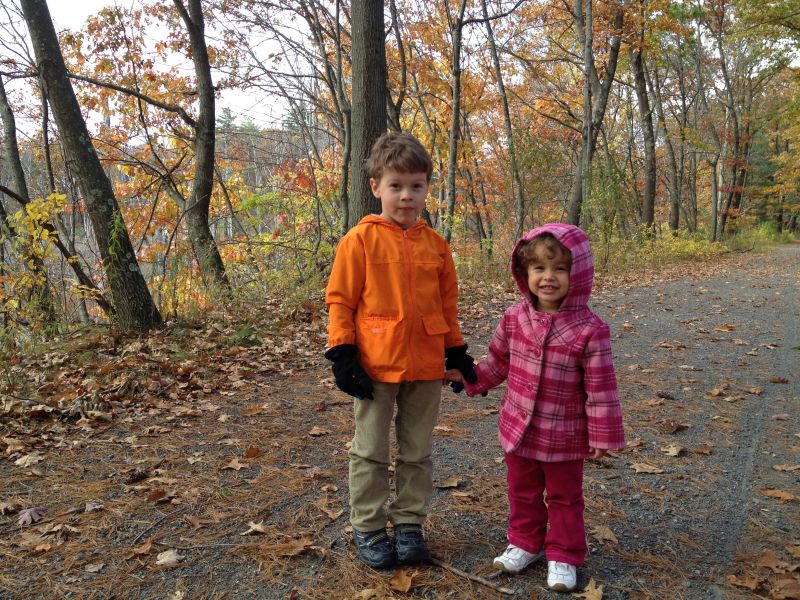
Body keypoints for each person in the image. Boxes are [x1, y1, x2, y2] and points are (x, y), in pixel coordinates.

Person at [324, 131, 477, 569]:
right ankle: (369, 526)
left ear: (427, 188)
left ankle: (409, 522)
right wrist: (343, 352)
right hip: (374, 365)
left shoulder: (437, 246)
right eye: (396, 186)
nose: (407, 196)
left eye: (416, 185)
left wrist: (455, 352)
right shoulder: (359, 241)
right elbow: (341, 301)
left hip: (425, 365)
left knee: (417, 451)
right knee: (370, 450)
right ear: (376, 187)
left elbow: (446, 306)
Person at [445, 223, 625, 592]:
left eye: (560, 269)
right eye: (539, 268)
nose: (548, 277)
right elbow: (498, 362)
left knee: (564, 497)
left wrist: (602, 435)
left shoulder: (590, 329)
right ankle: (525, 542)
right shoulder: (515, 317)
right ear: (525, 272)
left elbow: (601, 388)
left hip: (564, 436)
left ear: (578, 274)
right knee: (522, 490)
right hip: (518, 429)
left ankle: (564, 553)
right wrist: (470, 378)